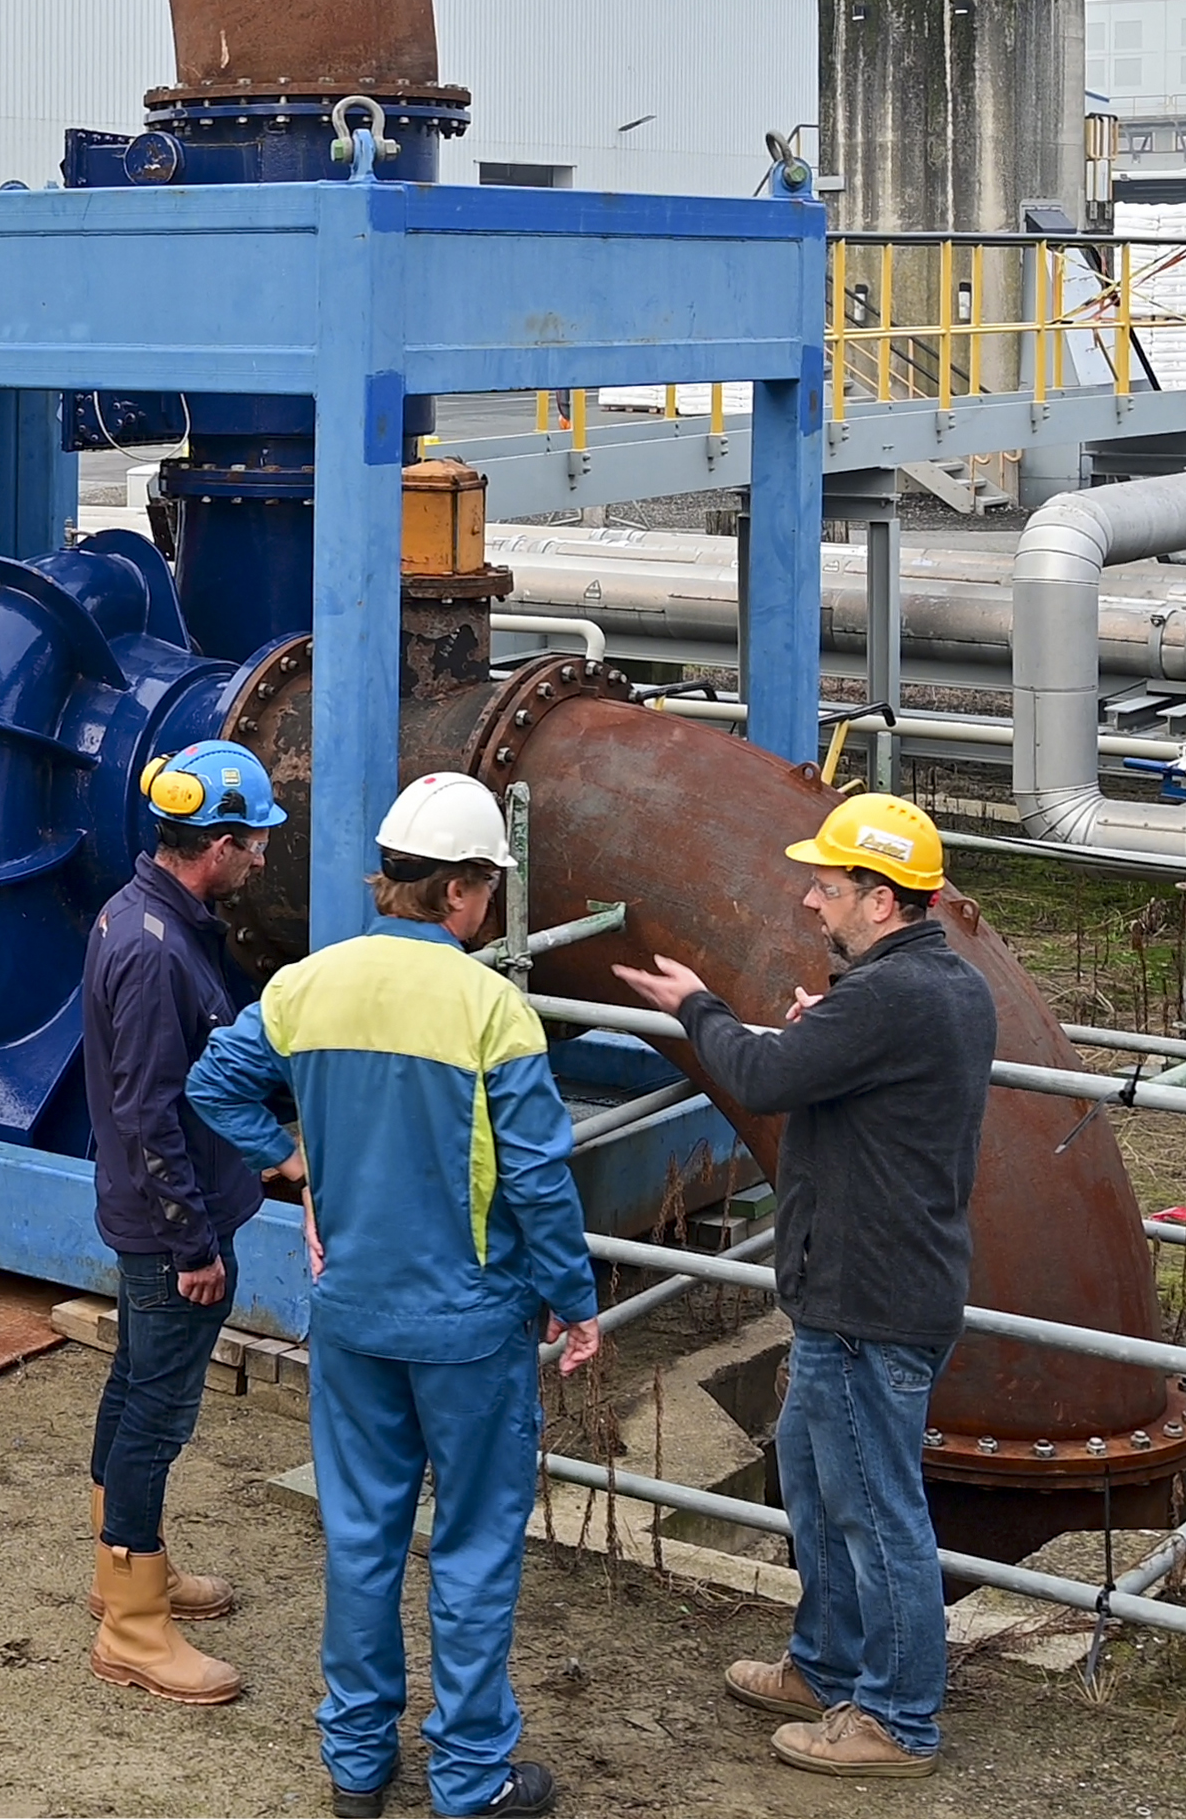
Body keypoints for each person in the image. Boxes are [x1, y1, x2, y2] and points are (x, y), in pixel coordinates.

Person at [188, 772, 600, 1820]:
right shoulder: (490, 1007)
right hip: (468, 1327)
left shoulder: (306, 985)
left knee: (362, 1538)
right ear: (461, 890)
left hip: (354, 1316)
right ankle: (470, 1778)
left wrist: (289, 1165)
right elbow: (540, 1176)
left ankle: (358, 1766)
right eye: (489, 889)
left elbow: (213, 1083)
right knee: (471, 1546)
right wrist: (571, 1295)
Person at [613, 791, 993, 1783]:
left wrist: (694, 1006)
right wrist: (827, 1026)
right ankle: (825, 1664)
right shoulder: (935, 987)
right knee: (818, 1478)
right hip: (865, 1286)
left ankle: (899, 1718)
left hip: (870, 1297)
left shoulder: (893, 999)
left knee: (874, 1504)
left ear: (879, 897)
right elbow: (850, 1063)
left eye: (826, 885)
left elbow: (761, 1076)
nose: (811, 900)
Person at [81, 738, 283, 1707]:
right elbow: (150, 1112)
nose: (264, 859)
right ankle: (133, 1628)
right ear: (219, 844)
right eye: (256, 843)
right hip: (173, 1228)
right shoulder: (156, 953)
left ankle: (129, 1572)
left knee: (132, 1386)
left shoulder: (145, 916)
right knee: (157, 1414)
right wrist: (194, 1245)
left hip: (154, 1213)